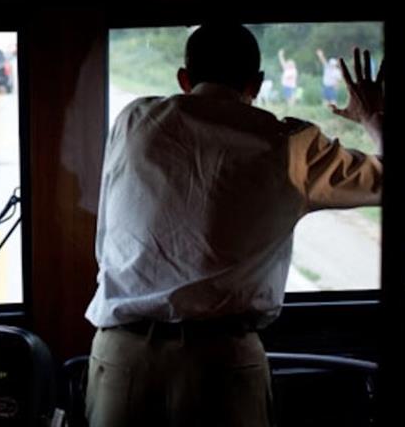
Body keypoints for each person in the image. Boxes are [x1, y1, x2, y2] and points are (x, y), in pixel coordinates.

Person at [84, 23, 385, 427]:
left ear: (184, 79)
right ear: (257, 83)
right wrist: (371, 117)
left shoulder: (133, 121)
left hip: (123, 357)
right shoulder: (291, 145)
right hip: (222, 363)